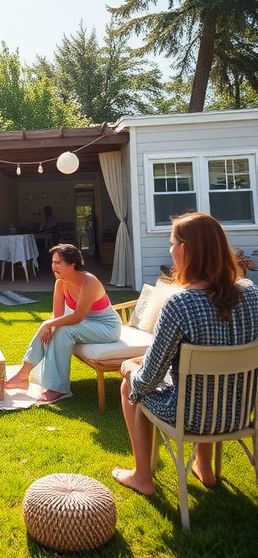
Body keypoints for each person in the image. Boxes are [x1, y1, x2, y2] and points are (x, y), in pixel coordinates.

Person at [112, 212, 258, 496]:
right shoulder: (252, 294)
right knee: (205, 382)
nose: (170, 250)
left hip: (191, 419)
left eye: (172, 243)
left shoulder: (180, 303)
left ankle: (142, 476)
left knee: (130, 385)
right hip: (241, 414)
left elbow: (147, 382)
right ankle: (204, 466)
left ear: (186, 250)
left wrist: (130, 368)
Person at [4, 243, 121, 403]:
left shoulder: (89, 282)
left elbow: (78, 316)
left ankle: (59, 389)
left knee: (62, 330)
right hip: (86, 324)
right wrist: (49, 325)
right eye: (53, 262)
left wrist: (49, 324)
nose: (54, 266)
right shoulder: (60, 283)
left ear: (72, 264)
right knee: (49, 327)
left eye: (58, 262)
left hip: (106, 327)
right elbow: (57, 314)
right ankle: (22, 375)